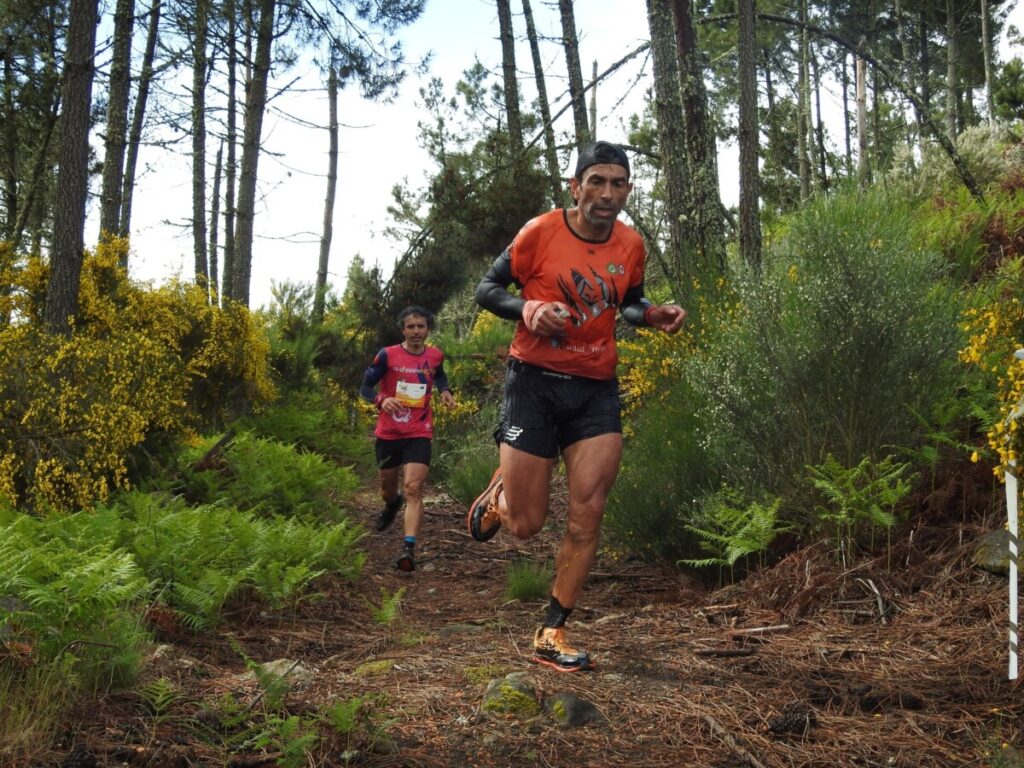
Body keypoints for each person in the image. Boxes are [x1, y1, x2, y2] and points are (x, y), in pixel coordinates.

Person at [468, 140, 686, 672]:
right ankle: (500, 497)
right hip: (534, 384)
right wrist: (529, 308)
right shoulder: (540, 232)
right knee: (526, 524)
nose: (607, 194)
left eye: (617, 184)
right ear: (576, 186)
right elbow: (486, 288)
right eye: (597, 182)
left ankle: (552, 630)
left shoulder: (632, 244)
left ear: (627, 190)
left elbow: (627, 299)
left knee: (588, 514)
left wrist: (650, 314)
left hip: (595, 389)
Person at [360, 306, 456, 572]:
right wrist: (382, 399)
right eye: (411, 327)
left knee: (414, 488)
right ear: (403, 330)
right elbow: (365, 387)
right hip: (389, 433)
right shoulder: (387, 355)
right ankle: (392, 503)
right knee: (388, 488)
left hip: (419, 431)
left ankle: (408, 549)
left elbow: (439, 374)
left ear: (427, 329)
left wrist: (445, 391)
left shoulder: (435, 355)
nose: (416, 331)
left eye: (421, 326)